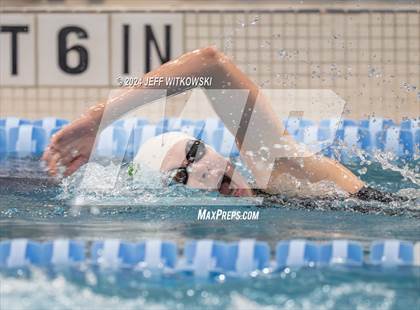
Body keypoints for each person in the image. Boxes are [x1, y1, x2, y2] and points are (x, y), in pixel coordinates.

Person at [42, 47, 394, 201]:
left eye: (196, 152)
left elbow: (209, 65)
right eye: (181, 176)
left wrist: (98, 118)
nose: (204, 170)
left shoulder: (284, 174)